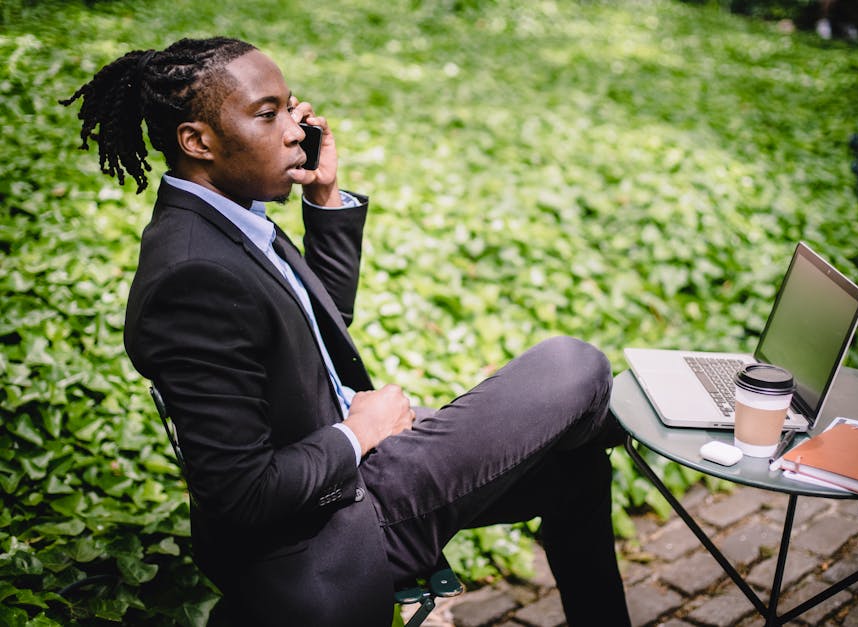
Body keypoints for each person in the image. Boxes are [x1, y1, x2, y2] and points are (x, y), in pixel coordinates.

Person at [62, 37, 631, 626]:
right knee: (573, 364)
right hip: (334, 526)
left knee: (575, 473)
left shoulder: (226, 219)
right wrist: (361, 432)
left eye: (290, 108)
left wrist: (325, 195)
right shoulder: (193, 275)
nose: (295, 130)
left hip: (358, 469)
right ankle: (616, 418)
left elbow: (310, 329)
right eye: (267, 114)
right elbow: (241, 494)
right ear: (197, 141)